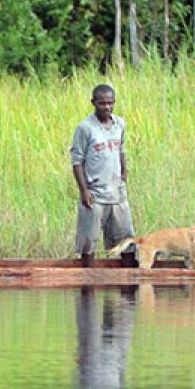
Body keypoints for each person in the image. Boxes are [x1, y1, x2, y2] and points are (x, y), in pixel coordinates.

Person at [71, 84, 135, 268]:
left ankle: (128, 289)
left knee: (126, 240)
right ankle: (87, 284)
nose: (107, 107)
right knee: (88, 240)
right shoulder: (85, 128)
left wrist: (124, 172)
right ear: (94, 103)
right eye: (102, 104)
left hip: (117, 193)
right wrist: (84, 191)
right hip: (95, 194)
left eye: (110, 103)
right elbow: (77, 161)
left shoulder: (119, 124)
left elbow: (121, 149)